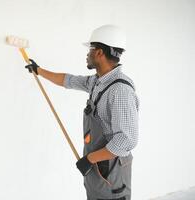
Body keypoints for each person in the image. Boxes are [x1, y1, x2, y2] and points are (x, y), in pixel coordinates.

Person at [24, 24, 139, 200]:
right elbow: (69, 80)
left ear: (100, 52)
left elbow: (125, 141)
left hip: (111, 168)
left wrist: (90, 159)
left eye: (91, 49)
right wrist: (39, 71)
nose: (87, 54)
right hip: (98, 164)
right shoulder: (98, 81)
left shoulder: (120, 90)